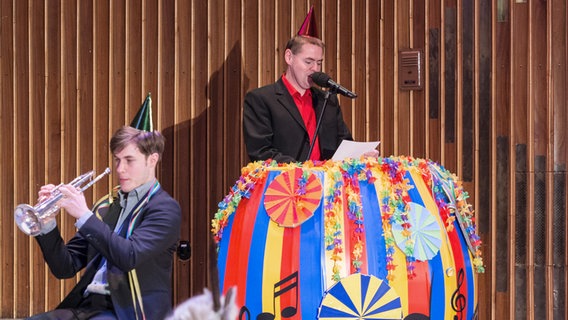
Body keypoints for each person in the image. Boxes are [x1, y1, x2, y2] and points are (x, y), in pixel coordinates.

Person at [27, 126, 182, 320]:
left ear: (152, 160)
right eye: (117, 160)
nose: (119, 169)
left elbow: (129, 256)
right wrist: (47, 223)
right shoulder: (105, 207)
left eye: (129, 160)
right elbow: (64, 268)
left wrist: (84, 215)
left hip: (131, 311)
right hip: (89, 306)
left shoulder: (165, 209)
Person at [243, 34, 353, 163]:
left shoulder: (327, 100)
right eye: (308, 62)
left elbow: (344, 143)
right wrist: (302, 172)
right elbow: (261, 151)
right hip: (285, 181)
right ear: (289, 57)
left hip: (327, 181)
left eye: (319, 63)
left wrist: (360, 156)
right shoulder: (261, 99)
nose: (315, 69)